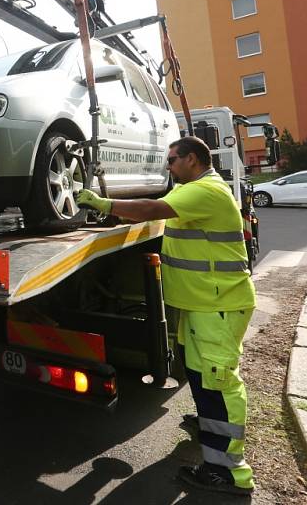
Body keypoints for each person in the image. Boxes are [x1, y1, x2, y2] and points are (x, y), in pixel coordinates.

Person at [76, 136, 255, 496]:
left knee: (217, 384)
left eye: (172, 160)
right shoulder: (200, 192)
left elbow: (148, 209)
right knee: (200, 375)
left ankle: (228, 473)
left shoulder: (205, 191)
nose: (168, 167)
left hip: (215, 306)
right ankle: (209, 429)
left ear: (192, 159)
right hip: (203, 304)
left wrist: (103, 203)